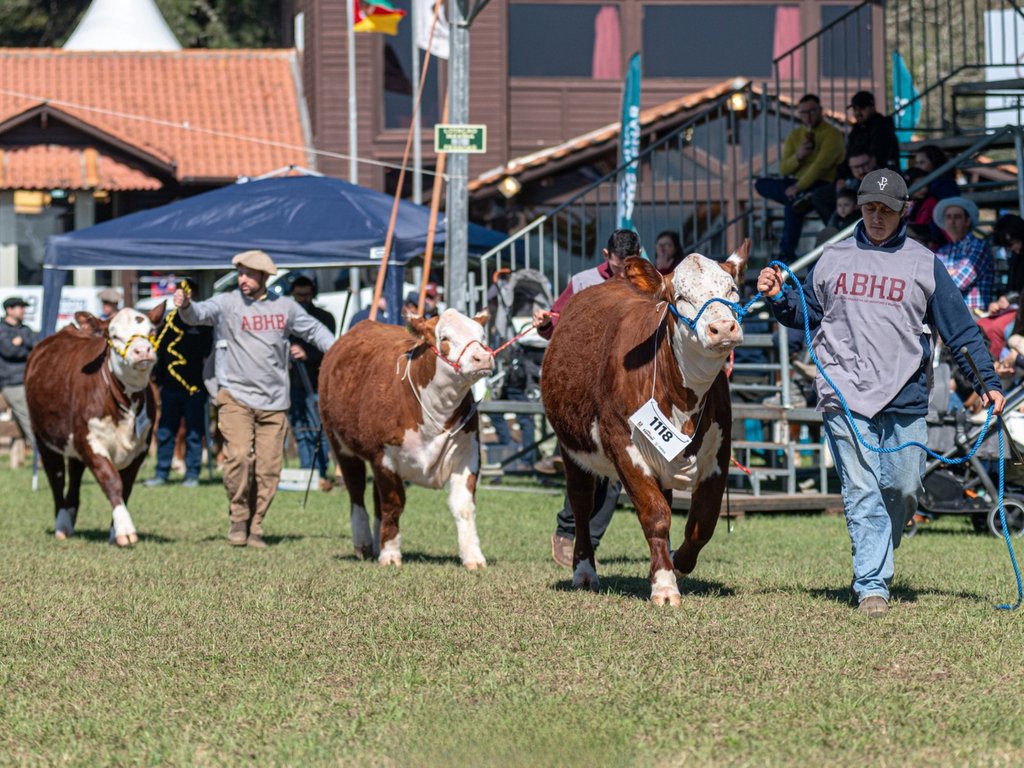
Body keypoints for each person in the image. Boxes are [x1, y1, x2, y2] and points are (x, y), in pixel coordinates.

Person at [756, 169, 1005, 617]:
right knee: (861, 487)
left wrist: (987, 382)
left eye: (886, 210)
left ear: (903, 210)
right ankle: (872, 585)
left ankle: (874, 562)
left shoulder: (923, 263)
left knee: (904, 489)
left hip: (905, 393)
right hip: (844, 391)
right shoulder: (832, 257)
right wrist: (778, 298)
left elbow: (961, 329)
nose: (875, 216)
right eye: (869, 207)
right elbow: (806, 313)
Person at [174, 250, 335, 548]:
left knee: (269, 469)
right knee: (237, 456)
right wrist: (186, 306)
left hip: (274, 401)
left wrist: (338, 349)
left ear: (264, 276)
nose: (243, 279)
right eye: (240, 273)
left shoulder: (284, 307)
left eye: (249, 274)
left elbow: (313, 330)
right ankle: (238, 517)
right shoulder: (226, 303)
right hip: (234, 394)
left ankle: (256, 523)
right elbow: (199, 313)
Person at [533, 229, 641, 567]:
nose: (622, 271)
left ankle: (588, 540)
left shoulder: (646, 283)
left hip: (622, 388)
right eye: (616, 263)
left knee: (615, 473)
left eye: (629, 264)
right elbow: (555, 324)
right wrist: (543, 325)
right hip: (580, 389)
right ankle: (568, 531)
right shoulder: (582, 282)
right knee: (580, 466)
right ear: (606, 254)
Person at [755, 94, 845, 260]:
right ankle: (800, 197)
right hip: (796, 184)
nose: (808, 116)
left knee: (793, 202)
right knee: (761, 184)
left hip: (820, 183)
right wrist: (799, 156)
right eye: (803, 112)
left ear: (820, 111)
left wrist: (798, 187)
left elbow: (821, 166)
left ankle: (786, 253)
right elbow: (783, 169)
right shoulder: (795, 135)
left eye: (812, 111)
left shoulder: (832, 134)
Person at [144, 278, 214, 488]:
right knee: (165, 430)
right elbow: (159, 349)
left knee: (194, 432)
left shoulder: (203, 322)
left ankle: (192, 473)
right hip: (171, 387)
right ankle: (161, 472)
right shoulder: (169, 321)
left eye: (186, 293)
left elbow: (209, 353)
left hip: (194, 387)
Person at [287, 276, 337, 493]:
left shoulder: (324, 317)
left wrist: (307, 353)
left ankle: (320, 470)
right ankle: (306, 469)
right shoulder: (287, 318)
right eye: (299, 296)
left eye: (307, 295)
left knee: (318, 427)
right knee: (300, 427)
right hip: (293, 381)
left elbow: (329, 348)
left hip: (317, 380)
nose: (304, 299)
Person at [934, 196, 993, 314]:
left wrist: (943, 274)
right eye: (948, 217)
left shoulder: (978, 246)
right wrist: (949, 273)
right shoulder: (943, 250)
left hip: (973, 314)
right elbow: (929, 280)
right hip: (949, 314)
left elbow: (958, 282)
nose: (952, 221)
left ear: (967, 221)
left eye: (957, 217)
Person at [835, 90, 900, 189]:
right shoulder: (857, 129)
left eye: (862, 108)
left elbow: (878, 158)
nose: (857, 113)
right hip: (857, 176)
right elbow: (849, 156)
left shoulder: (882, 127)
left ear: (872, 107)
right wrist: (841, 178)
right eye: (855, 109)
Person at [0, 296, 37, 453]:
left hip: (30, 380)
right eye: (20, 307)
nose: (23, 310)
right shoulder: (2, 329)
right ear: (9, 310)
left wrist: (21, 341)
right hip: (12, 381)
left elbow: (37, 348)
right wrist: (25, 347)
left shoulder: (25, 330)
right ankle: (41, 453)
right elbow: (10, 351)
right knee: (28, 417)